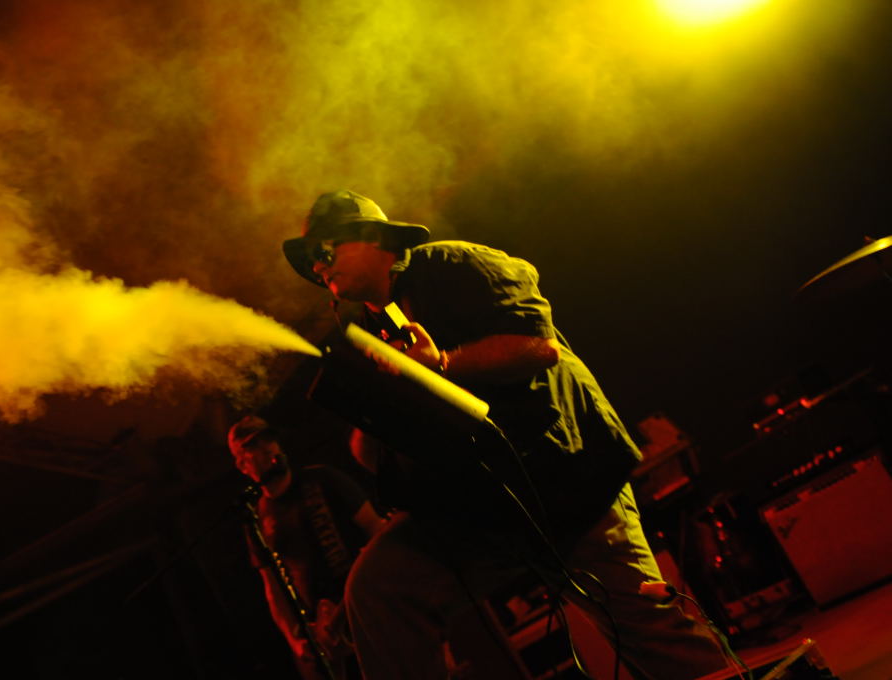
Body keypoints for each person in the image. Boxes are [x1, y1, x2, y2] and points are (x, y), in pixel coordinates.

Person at [281, 190, 731, 680]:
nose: (317, 266)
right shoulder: (370, 328)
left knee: (647, 629)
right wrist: (372, 412)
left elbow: (538, 347)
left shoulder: (453, 265)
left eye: (323, 250)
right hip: (486, 509)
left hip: (565, 483)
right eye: (309, 261)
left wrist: (441, 364)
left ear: (372, 236)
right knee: (381, 585)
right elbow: (380, 449)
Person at [228, 414, 386, 680]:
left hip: (367, 606)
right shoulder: (257, 519)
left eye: (269, 439)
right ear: (242, 464)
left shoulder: (323, 479)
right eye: (255, 445)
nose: (268, 448)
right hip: (325, 633)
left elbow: (377, 530)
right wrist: (296, 640)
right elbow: (273, 588)